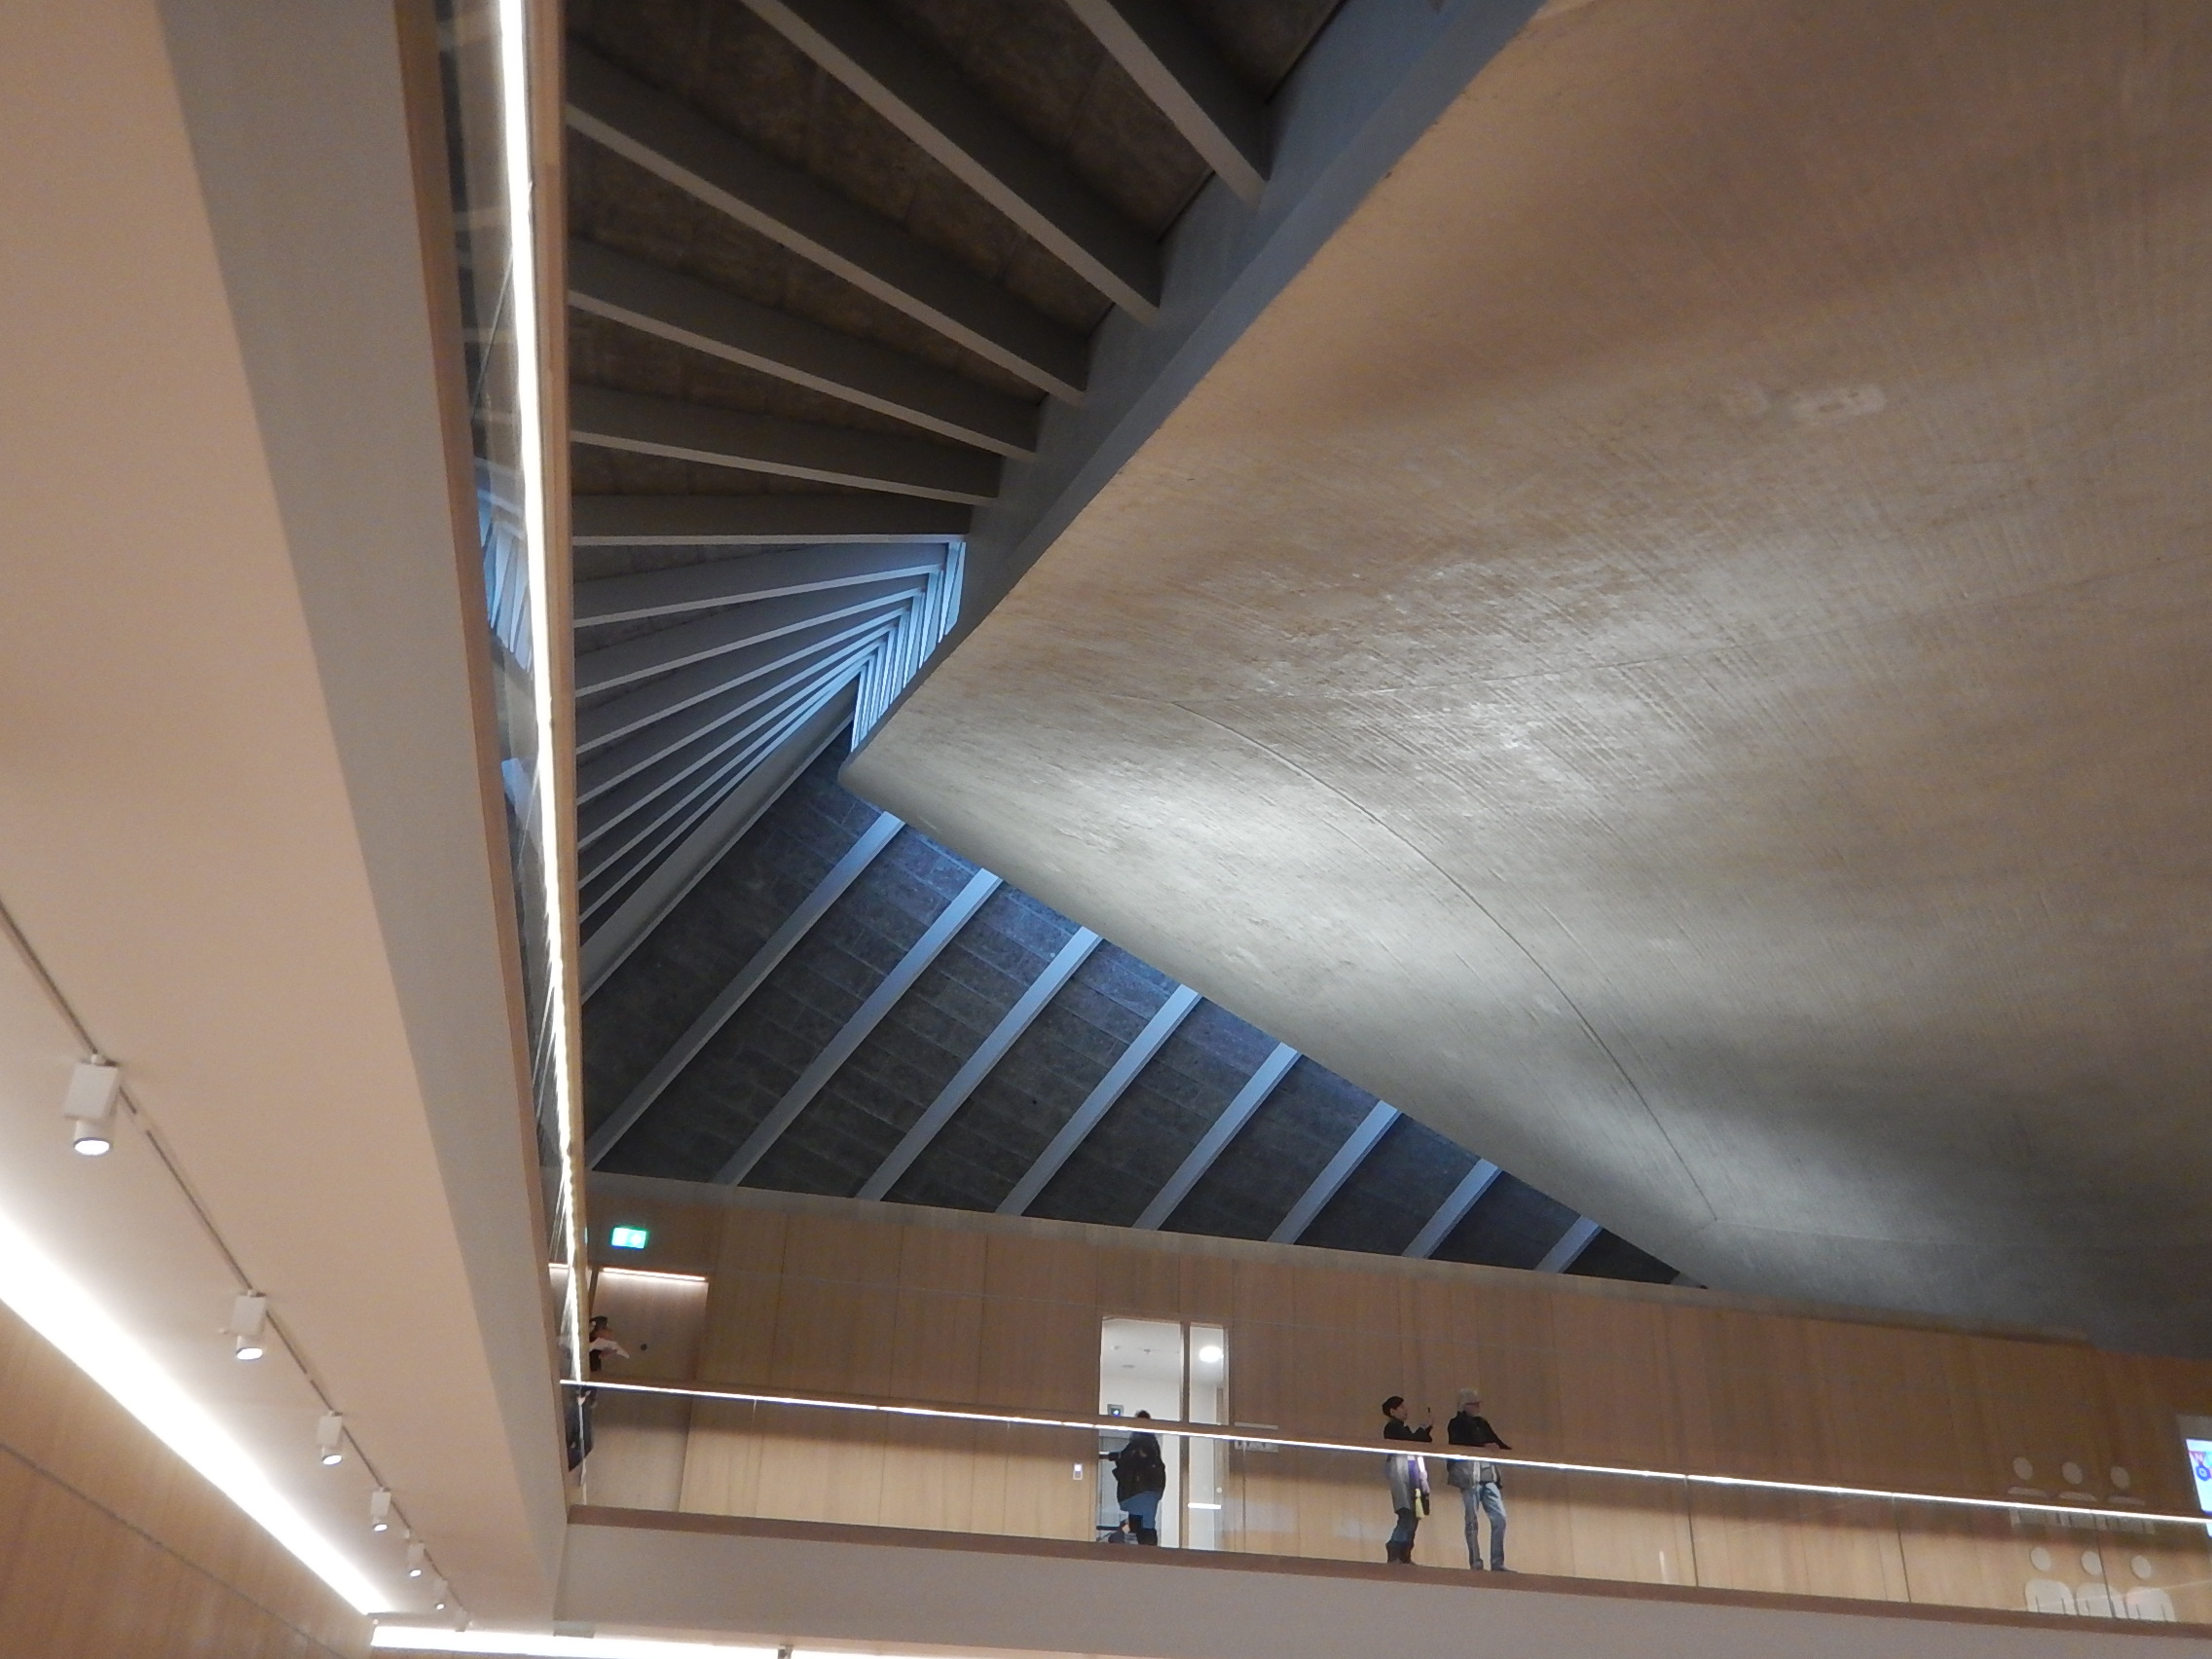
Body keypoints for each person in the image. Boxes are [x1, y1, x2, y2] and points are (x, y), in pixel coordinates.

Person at [1445, 1387, 1511, 1569]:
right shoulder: (1456, 1423)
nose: (1477, 1407)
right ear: (1464, 1405)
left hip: (1488, 1475)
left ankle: (1497, 1562)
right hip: (1469, 1476)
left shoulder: (1482, 1423)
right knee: (1472, 1521)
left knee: (1500, 1518)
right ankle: (1475, 1562)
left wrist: (1504, 1449)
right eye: (1473, 1404)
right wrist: (1484, 1446)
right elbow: (1461, 1443)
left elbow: (1497, 1442)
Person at [1380, 1395, 1432, 1564]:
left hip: (1411, 1473)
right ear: (1392, 1411)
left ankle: (1404, 1552)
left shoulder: (1402, 1429)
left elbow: (1417, 1441)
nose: (1405, 1410)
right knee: (1407, 1513)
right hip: (1403, 1473)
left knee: (1413, 1514)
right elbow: (1411, 1441)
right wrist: (1423, 1429)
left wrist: (1425, 1430)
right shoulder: (1392, 1428)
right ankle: (1396, 1548)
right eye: (1401, 1407)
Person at [1108, 1410, 1168, 1544]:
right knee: (1146, 1523)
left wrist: (1116, 1457)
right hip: (1149, 1489)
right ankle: (1146, 1547)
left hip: (1139, 1489)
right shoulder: (1151, 1442)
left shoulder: (1140, 1441)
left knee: (1139, 1523)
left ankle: (1126, 1537)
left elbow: (1129, 1459)